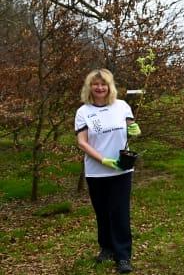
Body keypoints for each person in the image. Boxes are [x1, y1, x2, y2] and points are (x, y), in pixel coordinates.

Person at [75, 69, 142, 274]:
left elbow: (132, 128)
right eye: (95, 84)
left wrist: (136, 130)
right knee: (102, 212)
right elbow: (82, 142)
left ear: (110, 86)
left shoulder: (121, 106)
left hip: (121, 169)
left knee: (120, 212)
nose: (100, 88)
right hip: (96, 171)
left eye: (103, 84)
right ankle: (106, 248)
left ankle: (123, 256)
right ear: (90, 87)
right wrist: (103, 160)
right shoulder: (83, 112)